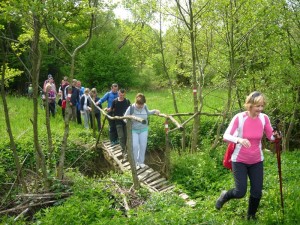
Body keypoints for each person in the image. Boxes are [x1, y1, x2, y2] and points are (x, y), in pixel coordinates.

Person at [216, 91, 281, 220]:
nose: (260, 109)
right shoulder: (239, 118)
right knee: (240, 192)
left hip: (257, 160)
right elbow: (226, 136)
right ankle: (225, 195)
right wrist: (239, 139)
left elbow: (271, 137)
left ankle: (251, 216)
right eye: (258, 106)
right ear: (249, 105)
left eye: (262, 106)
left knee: (257, 192)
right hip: (239, 160)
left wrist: (277, 136)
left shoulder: (264, 118)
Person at [124, 93, 160, 169]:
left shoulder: (145, 106)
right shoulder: (131, 108)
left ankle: (141, 162)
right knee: (135, 146)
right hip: (134, 130)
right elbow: (124, 118)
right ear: (136, 102)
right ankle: (135, 163)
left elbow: (148, 112)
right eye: (139, 104)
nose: (141, 106)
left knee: (143, 146)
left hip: (144, 129)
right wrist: (130, 122)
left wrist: (155, 111)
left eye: (142, 104)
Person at [111, 89, 131, 156]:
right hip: (118, 121)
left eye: (123, 95)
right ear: (118, 94)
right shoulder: (115, 101)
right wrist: (107, 110)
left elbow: (131, 110)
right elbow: (112, 109)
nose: (121, 96)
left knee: (126, 136)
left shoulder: (127, 101)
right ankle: (123, 151)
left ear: (124, 94)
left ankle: (127, 149)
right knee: (121, 136)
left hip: (125, 121)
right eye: (120, 94)